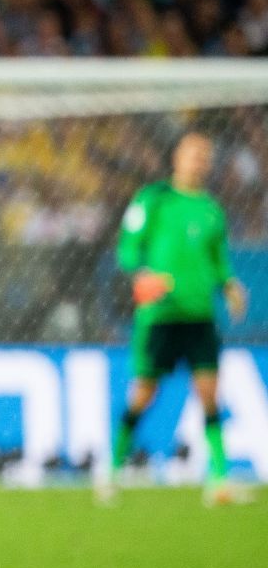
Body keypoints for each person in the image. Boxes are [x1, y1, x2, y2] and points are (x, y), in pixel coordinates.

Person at [99, 132, 251, 505]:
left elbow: (218, 260)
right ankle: (112, 469)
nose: (200, 161)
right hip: (160, 315)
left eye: (205, 156)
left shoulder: (212, 210)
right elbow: (128, 248)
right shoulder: (153, 200)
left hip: (199, 316)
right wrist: (142, 274)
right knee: (144, 393)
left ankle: (219, 480)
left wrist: (230, 285)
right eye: (193, 154)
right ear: (177, 158)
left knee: (209, 394)